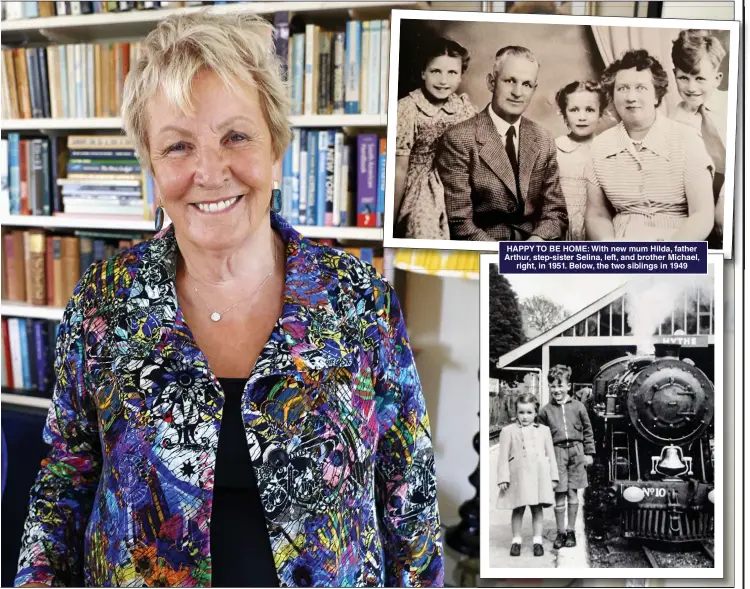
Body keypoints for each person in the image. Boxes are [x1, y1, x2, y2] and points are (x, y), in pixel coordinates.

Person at [14, 11, 443, 588]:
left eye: (235, 136)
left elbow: (408, 491)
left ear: (275, 149)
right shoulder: (102, 301)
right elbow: (65, 479)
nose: (210, 171)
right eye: (178, 146)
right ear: (151, 165)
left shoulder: (359, 300)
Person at [436, 45, 568, 242]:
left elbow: (555, 212)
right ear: (491, 82)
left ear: (534, 89)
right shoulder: (459, 138)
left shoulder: (543, 138)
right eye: (509, 81)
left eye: (526, 84)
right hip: (485, 248)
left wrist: (537, 241)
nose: (517, 92)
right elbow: (459, 221)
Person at [584, 49, 714, 242]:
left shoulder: (686, 139)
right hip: (621, 246)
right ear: (613, 95)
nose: (630, 97)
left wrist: (667, 255)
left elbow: (702, 215)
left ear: (656, 96)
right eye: (622, 88)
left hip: (678, 243)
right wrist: (609, 248)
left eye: (641, 88)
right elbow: (597, 214)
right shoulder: (600, 146)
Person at [394, 37, 477, 240]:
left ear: (460, 76)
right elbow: (399, 168)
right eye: (435, 71)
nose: (443, 80)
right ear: (423, 72)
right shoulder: (408, 108)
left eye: (452, 73)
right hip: (421, 186)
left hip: (458, 184)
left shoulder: (464, 108)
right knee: (424, 227)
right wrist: (391, 219)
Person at [670, 29, 729, 246]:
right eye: (683, 78)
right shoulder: (674, 122)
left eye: (700, 78)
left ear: (717, 78)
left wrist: (725, 201)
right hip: (698, 201)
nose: (691, 87)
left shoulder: (736, 106)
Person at [537, 365, 595, 550]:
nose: (557, 390)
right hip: (557, 453)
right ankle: (560, 532)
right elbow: (540, 436)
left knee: (573, 493)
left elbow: (588, 430)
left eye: (560, 385)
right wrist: (544, 458)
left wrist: (589, 453)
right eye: (552, 386)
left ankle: (571, 531)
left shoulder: (579, 407)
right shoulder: (545, 411)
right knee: (559, 492)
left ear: (568, 386)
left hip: (577, 452)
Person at [496, 393, 558, 557]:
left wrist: (554, 477)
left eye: (529, 412)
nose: (525, 416)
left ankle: (537, 541)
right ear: (516, 412)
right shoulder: (507, 431)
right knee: (518, 508)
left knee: (537, 509)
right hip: (518, 477)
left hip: (538, 476)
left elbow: (551, 455)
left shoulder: (544, 431)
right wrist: (503, 477)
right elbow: (503, 457)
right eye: (521, 412)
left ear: (536, 412)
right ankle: (516, 540)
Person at [553, 81, 606, 240]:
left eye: (589, 110)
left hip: (596, 225)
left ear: (600, 114)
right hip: (562, 226)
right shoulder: (555, 148)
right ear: (563, 113)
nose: (582, 117)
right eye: (574, 110)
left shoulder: (605, 149)